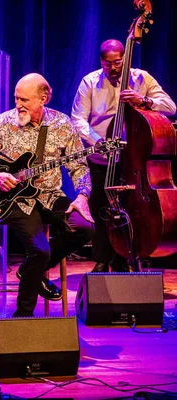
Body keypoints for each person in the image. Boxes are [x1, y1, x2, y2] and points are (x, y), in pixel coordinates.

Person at [0, 73, 94, 317]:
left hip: (49, 195)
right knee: (40, 250)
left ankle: (29, 270)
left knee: (85, 229)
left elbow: (79, 167)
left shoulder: (62, 124)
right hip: (13, 199)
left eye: (24, 99)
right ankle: (23, 316)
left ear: (43, 99)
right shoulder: (4, 122)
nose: (18, 105)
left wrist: (82, 195)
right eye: (16, 98)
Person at [71, 39, 177, 273]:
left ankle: (127, 258)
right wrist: (98, 142)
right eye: (108, 64)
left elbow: (170, 107)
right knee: (101, 210)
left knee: (132, 209)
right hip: (101, 159)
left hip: (133, 160)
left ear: (124, 59)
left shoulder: (142, 78)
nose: (113, 68)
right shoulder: (90, 82)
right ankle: (101, 261)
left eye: (118, 62)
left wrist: (144, 100)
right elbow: (78, 119)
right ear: (101, 62)